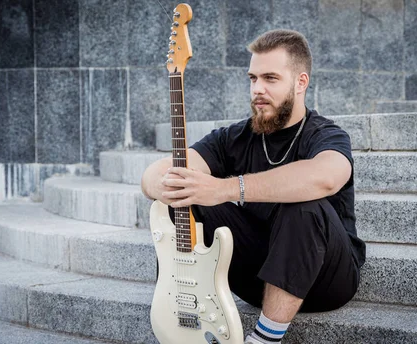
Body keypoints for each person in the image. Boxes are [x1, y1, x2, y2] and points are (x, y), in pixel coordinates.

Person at [141, 29, 366, 344]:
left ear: (300, 82)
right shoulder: (236, 137)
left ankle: (264, 339)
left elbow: (326, 176)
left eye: (270, 78)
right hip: (262, 277)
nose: (258, 89)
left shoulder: (326, 134)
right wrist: (165, 185)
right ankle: (182, 312)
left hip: (328, 278)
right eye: (252, 78)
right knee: (186, 196)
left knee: (303, 204)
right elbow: (155, 173)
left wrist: (227, 188)